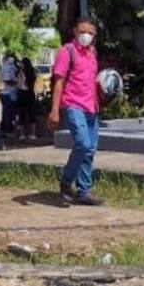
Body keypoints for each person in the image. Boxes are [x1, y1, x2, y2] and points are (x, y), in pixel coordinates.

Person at [48, 18, 104, 206]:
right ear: (75, 31)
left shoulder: (92, 53)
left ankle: (84, 191)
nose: (86, 36)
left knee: (89, 150)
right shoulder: (67, 51)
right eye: (82, 31)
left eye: (90, 33)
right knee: (82, 143)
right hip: (73, 105)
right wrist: (54, 110)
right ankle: (65, 182)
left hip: (92, 107)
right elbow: (59, 81)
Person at [0, 52, 19, 143]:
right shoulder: (7, 66)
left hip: (9, 92)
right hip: (8, 92)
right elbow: (7, 80)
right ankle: (8, 130)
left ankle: (4, 129)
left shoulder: (11, 66)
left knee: (7, 113)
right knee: (8, 113)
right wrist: (16, 83)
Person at [18, 57, 39, 141]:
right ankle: (33, 134)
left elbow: (19, 84)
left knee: (21, 114)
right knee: (32, 114)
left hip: (22, 94)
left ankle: (22, 134)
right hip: (30, 94)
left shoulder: (21, 73)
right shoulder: (33, 72)